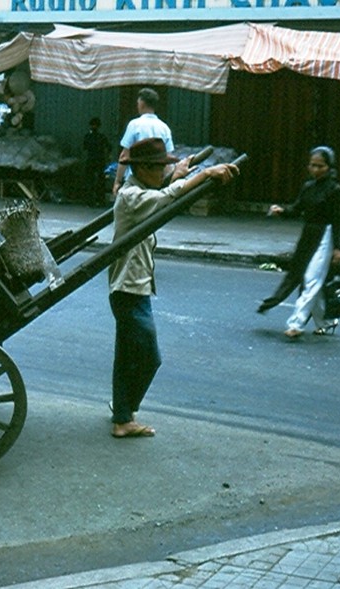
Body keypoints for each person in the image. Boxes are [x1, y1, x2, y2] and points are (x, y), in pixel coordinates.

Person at [108, 138, 238, 438]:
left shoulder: (138, 189)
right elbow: (166, 197)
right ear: (142, 169)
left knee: (126, 353)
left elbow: (163, 188)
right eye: (158, 169)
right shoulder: (131, 197)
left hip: (134, 284)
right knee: (148, 356)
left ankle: (122, 414)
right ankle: (124, 415)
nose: (161, 174)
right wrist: (203, 175)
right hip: (128, 287)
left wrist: (178, 172)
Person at [257, 146, 340, 338]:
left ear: (329, 167)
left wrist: (337, 248)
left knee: (311, 279)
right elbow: (297, 209)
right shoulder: (308, 187)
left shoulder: (335, 190)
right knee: (314, 280)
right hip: (308, 235)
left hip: (325, 235)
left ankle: (296, 323)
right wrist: (281, 211)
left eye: (320, 166)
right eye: (312, 165)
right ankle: (326, 322)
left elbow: (337, 219)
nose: (315, 170)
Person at [111, 87, 174, 197]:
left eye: (138, 102)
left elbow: (125, 154)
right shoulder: (164, 128)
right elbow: (168, 159)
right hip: (155, 180)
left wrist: (117, 181)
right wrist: (168, 183)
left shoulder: (134, 125)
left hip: (136, 179)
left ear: (142, 104)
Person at [82, 117, 112, 207]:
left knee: (90, 181)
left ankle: (90, 201)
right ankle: (100, 200)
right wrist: (108, 157)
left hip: (90, 160)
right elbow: (109, 147)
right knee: (101, 181)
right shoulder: (102, 137)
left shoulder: (88, 136)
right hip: (100, 160)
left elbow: (84, 149)